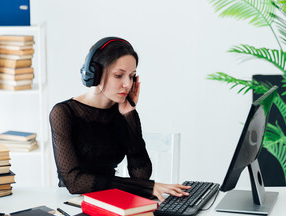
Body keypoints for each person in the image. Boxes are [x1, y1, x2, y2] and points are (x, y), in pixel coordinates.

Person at [49, 37, 190, 202]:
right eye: (119, 75)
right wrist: (145, 187)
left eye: (131, 76)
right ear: (94, 74)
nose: (127, 84)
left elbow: (141, 175)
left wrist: (130, 115)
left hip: (111, 199)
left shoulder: (122, 111)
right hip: (74, 202)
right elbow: (74, 182)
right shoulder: (64, 113)